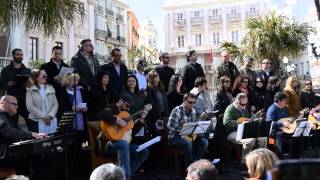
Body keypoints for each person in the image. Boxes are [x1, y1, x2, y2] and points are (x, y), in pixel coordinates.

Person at [97, 94, 149, 180]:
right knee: (123, 144)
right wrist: (118, 120)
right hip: (107, 145)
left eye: (129, 107)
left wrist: (141, 119)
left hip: (121, 143)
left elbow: (131, 130)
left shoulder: (126, 113)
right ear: (120, 101)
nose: (128, 108)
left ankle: (123, 176)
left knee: (143, 151)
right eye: (127, 105)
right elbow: (101, 114)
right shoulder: (111, 107)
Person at [0, 95, 46, 174]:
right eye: (14, 104)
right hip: (4, 158)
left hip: (10, 154)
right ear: (3, 103)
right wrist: (31, 134)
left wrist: (34, 136)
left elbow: (18, 133)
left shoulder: (9, 117)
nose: (17, 107)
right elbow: (9, 132)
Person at [167, 93, 208, 166]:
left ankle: (195, 163)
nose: (192, 104)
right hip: (175, 136)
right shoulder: (177, 110)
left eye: (193, 102)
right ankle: (189, 167)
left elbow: (194, 125)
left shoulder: (193, 111)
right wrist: (184, 130)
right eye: (190, 102)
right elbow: (170, 126)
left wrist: (198, 128)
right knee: (188, 141)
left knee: (204, 142)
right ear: (184, 101)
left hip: (188, 135)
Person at [223, 93, 266, 158]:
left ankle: (262, 159)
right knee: (250, 140)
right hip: (232, 132)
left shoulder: (244, 109)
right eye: (242, 104)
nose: (244, 106)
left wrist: (255, 120)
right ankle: (245, 161)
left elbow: (247, 120)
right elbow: (226, 122)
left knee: (263, 138)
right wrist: (240, 124)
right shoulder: (230, 109)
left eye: (246, 104)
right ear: (237, 101)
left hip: (244, 130)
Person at [0, 49, 31, 127]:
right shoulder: (6, 70)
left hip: (24, 100)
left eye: (21, 55)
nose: (20, 56)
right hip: (12, 100)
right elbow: (1, 85)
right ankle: (15, 139)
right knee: (13, 123)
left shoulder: (27, 70)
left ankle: (34, 137)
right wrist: (8, 84)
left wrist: (27, 85)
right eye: (18, 54)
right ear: (13, 56)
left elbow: (31, 85)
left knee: (30, 121)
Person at [26, 69, 58, 134]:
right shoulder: (30, 90)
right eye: (43, 76)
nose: (46, 77)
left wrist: (50, 115)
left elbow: (55, 104)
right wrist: (43, 116)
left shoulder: (50, 88)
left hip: (50, 120)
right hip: (36, 121)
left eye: (46, 75)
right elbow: (30, 106)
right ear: (36, 77)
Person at [266, 92, 291, 156]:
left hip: (284, 130)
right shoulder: (272, 109)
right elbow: (269, 123)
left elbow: (287, 118)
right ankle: (279, 156)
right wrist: (281, 124)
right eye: (284, 101)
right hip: (274, 133)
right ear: (279, 101)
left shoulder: (284, 108)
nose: (286, 102)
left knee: (297, 134)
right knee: (280, 135)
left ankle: (295, 156)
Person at [144, 69, 169, 136]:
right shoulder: (148, 90)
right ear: (149, 78)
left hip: (165, 116)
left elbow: (165, 103)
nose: (155, 78)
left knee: (166, 134)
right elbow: (150, 105)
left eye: (156, 75)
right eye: (153, 76)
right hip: (156, 118)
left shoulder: (161, 88)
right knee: (159, 134)